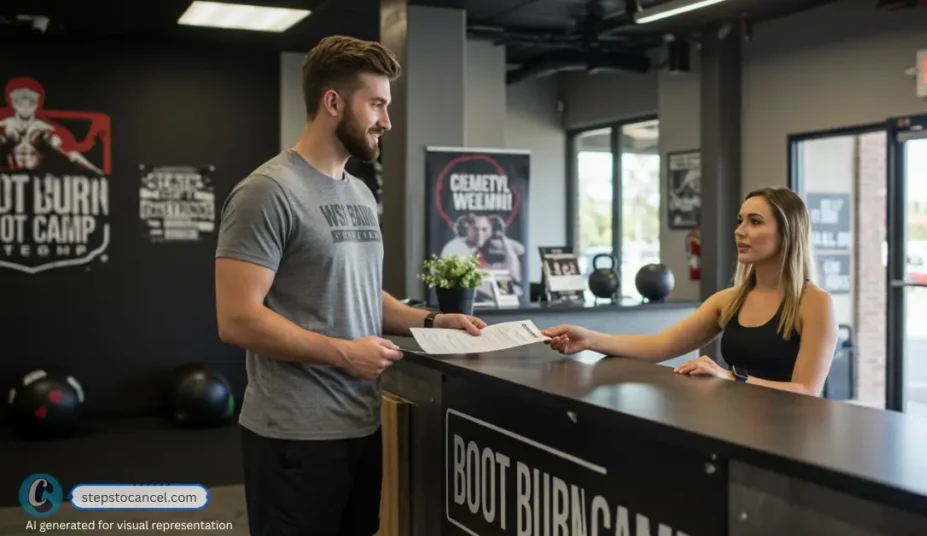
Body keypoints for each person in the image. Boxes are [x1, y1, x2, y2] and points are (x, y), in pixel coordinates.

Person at [214, 35, 486, 535]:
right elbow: (237, 319)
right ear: (333, 102)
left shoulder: (359, 193)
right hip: (293, 436)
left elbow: (356, 292)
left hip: (360, 424)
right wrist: (344, 354)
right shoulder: (267, 192)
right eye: (376, 104)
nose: (387, 121)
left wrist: (430, 320)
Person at [543, 186, 838, 397]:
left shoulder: (815, 303)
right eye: (740, 221)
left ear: (787, 234)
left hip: (788, 434)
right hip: (737, 424)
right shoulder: (729, 301)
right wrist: (589, 339)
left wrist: (730, 378)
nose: (740, 231)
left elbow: (806, 390)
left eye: (755, 222)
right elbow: (660, 345)